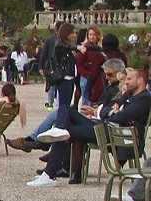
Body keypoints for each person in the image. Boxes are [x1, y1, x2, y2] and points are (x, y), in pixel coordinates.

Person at [29, 63, 151, 192]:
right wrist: (110, 111)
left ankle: (49, 175)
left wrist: (109, 112)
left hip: (115, 133)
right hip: (105, 126)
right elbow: (108, 107)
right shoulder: (130, 95)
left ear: (140, 80)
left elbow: (121, 116)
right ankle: (58, 130)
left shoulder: (145, 98)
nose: (126, 82)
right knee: (65, 109)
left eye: (129, 79)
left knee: (66, 132)